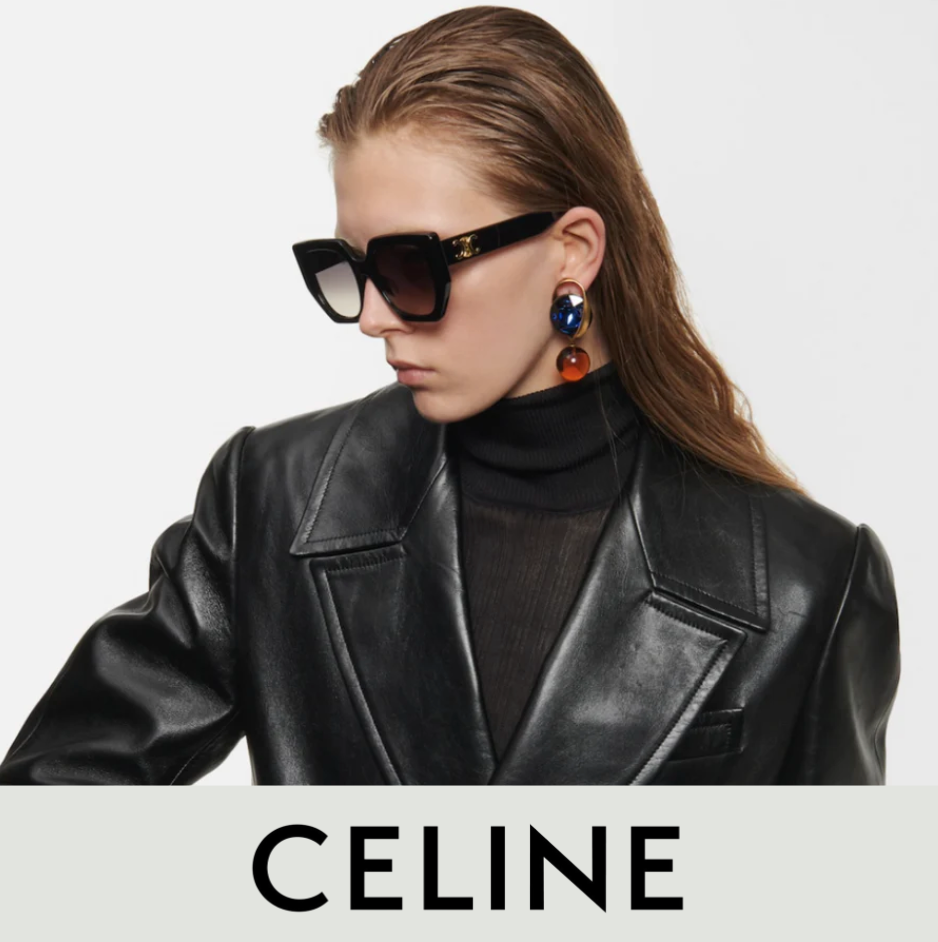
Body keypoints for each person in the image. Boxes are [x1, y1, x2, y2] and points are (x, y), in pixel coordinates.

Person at [0, 6, 900, 785]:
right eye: (349, 269)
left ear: (573, 249)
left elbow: (826, 901)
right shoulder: (271, 501)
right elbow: (49, 819)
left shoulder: (808, 583)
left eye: (411, 267)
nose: (372, 318)